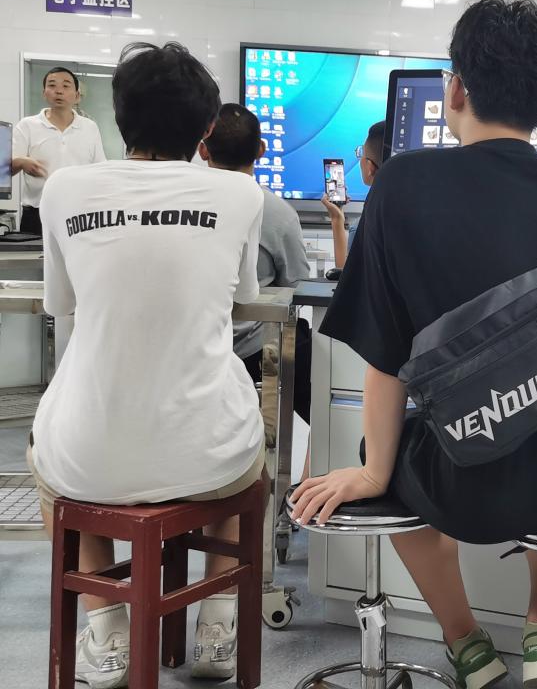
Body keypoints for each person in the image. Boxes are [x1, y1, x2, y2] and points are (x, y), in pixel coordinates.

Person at [290, 0, 537, 689]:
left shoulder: (403, 183)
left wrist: (374, 472)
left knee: (389, 454)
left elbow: (386, 353)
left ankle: (466, 644)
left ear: (456, 90)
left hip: (471, 483)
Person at [31, 43, 266, 687]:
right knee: (248, 456)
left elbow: (60, 302)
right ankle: (217, 626)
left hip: (89, 455)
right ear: (206, 129)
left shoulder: (65, 188)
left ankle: (106, 629)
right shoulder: (240, 192)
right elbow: (243, 294)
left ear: (118, 114)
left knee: (56, 464)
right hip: (208, 457)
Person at [200, 102, 313, 436]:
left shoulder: (181, 204)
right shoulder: (278, 212)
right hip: (254, 353)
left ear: (203, 149)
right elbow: (297, 283)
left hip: (192, 348)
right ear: (261, 150)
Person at [11, 66, 106, 234]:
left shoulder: (89, 127)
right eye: (52, 85)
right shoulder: (27, 126)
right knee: (32, 252)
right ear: (44, 93)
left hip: (79, 214)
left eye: (66, 85)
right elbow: (5, 170)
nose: (59, 91)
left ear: (77, 95)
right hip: (37, 214)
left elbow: (100, 169)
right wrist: (21, 162)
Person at [320, 120, 384, 270]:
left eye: (361, 153)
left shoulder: (364, 227)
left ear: (370, 167)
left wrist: (337, 219)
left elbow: (346, 274)